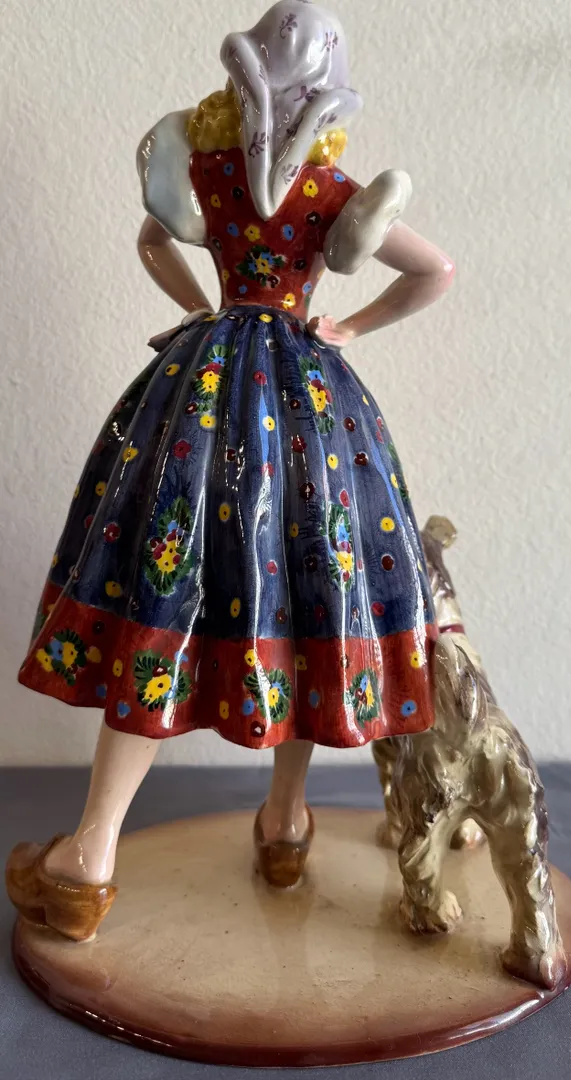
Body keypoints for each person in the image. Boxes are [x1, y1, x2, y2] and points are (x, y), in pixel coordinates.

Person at [7, 0, 454, 941]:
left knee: (163, 587)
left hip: (203, 394)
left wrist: (198, 312)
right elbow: (435, 271)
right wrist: (343, 327)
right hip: (309, 411)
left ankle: (92, 853)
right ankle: (285, 824)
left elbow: (151, 240)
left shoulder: (206, 174)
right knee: (306, 588)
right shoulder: (331, 193)